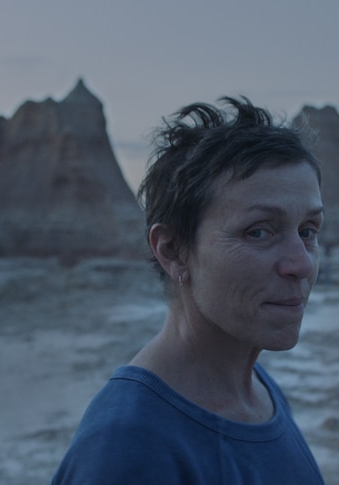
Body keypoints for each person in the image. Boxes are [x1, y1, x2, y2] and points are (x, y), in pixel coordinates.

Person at [52, 97, 325, 484]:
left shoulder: (260, 391)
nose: (301, 264)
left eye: (308, 231)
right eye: (259, 231)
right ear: (173, 250)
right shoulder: (128, 450)